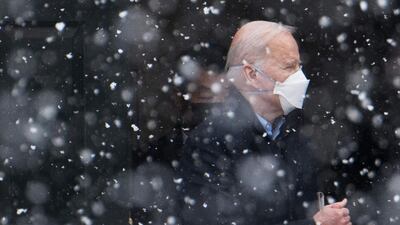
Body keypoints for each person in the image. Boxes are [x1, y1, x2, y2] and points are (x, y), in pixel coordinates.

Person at [177, 21, 352, 225]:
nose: (300, 77)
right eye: (289, 66)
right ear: (252, 74)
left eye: (299, 66)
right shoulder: (211, 141)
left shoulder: (295, 134)